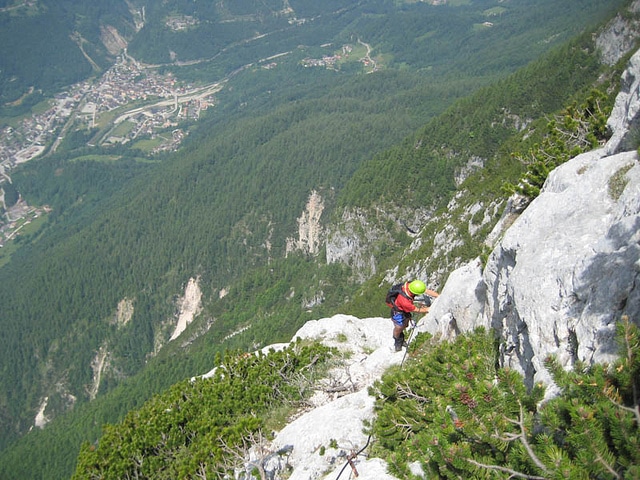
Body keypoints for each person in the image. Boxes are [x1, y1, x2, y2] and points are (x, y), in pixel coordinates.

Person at [389, 279, 439, 352]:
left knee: (405, 325)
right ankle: (398, 342)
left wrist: (439, 296)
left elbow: (426, 291)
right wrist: (428, 309)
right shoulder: (404, 301)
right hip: (398, 313)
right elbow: (415, 309)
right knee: (399, 327)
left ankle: (400, 337)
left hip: (403, 309)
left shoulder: (411, 285)